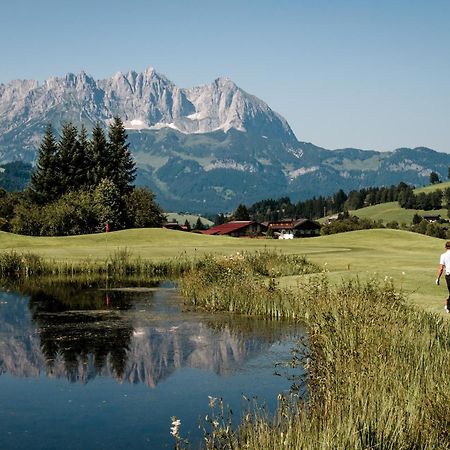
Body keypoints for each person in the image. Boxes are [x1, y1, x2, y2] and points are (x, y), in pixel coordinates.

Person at [435, 241, 450, 313]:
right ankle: (448, 305)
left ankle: (447, 305)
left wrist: (438, 278)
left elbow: (441, 268)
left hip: (448, 275)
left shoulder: (443, 255)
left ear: (445, 247)